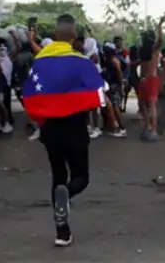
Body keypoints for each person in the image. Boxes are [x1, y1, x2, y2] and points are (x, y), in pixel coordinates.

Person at [22, 14, 104, 247]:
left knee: (58, 175)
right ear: (73, 36)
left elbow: (29, 93)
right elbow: (98, 95)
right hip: (75, 128)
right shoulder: (81, 62)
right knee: (81, 177)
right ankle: (67, 194)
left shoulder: (40, 61)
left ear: (55, 35)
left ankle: (62, 232)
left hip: (50, 130)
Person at [138, 15, 165, 141]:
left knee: (152, 104)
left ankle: (153, 128)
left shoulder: (154, 49)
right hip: (144, 80)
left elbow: (160, 40)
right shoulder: (143, 50)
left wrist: (160, 25)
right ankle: (148, 126)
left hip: (151, 79)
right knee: (142, 104)